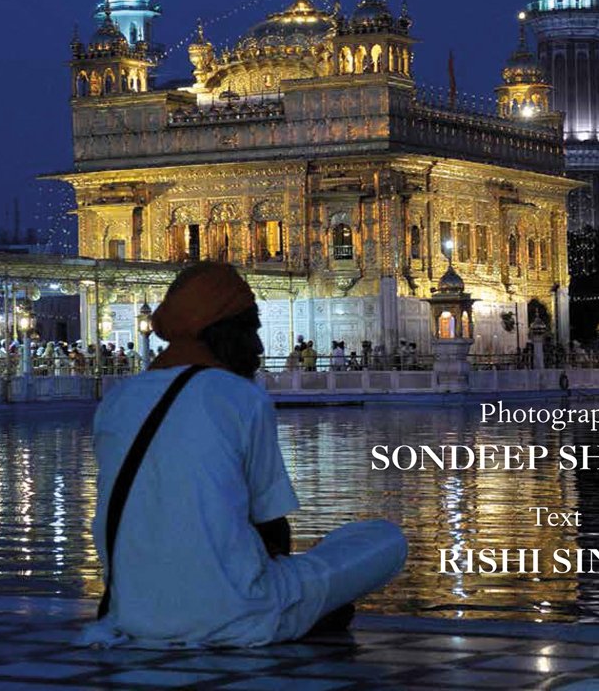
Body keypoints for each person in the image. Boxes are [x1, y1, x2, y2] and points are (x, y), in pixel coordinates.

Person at [83, 261, 406, 648]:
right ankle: (303, 612)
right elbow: (273, 529)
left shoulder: (117, 399)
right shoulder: (239, 396)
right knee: (384, 539)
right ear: (220, 333)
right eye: (250, 330)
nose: (259, 347)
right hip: (238, 617)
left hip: (131, 617)